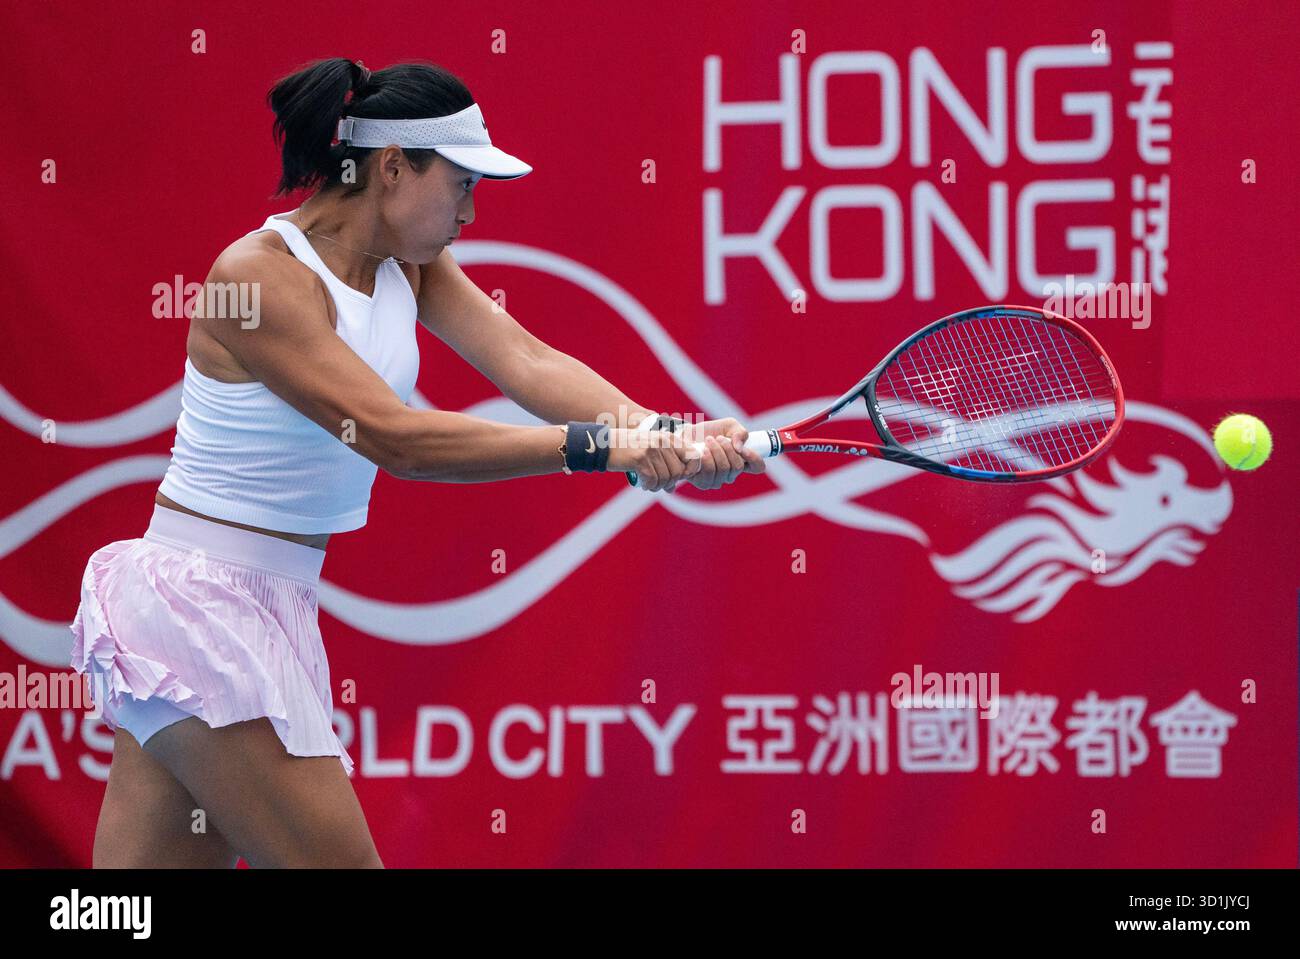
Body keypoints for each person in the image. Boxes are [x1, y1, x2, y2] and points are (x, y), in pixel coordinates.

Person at [69, 57, 765, 868]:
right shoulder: (255, 279)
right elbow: (393, 437)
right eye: (463, 184)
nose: (472, 211)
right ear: (392, 166)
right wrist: (609, 448)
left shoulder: (411, 265)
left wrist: (665, 432)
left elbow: (529, 362)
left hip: (264, 602)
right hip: (200, 604)